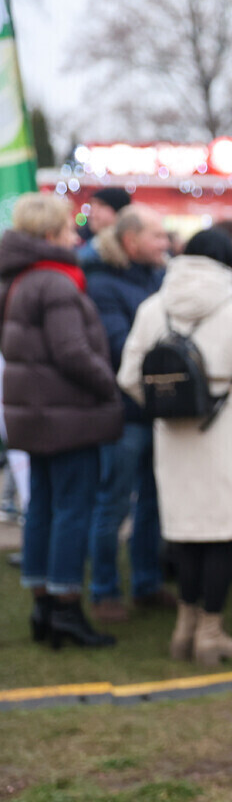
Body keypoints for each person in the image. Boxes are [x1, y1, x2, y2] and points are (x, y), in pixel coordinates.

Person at [117, 228, 232, 664]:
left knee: (186, 534)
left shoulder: (154, 307)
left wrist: (169, 406)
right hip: (231, 437)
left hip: (175, 438)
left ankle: (183, 629)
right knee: (221, 536)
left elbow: (130, 377)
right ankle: (210, 632)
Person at [2, 192, 123, 648]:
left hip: (36, 414)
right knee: (72, 510)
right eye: (69, 228)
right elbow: (71, 351)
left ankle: (44, 604)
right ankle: (66, 607)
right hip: (67, 415)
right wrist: (108, 383)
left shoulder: (18, 279)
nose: (77, 235)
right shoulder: (54, 281)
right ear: (51, 234)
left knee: (44, 509)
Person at [82, 204, 173, 621]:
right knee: (112, 505)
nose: (166, 243)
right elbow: (119, 348)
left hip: (155, 411)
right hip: (124, 414)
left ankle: (146, 584)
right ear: (131, 240)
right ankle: (103, 591)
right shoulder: (102, 283)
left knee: (152, 504)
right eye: (157, 235)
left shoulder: (157, 276)